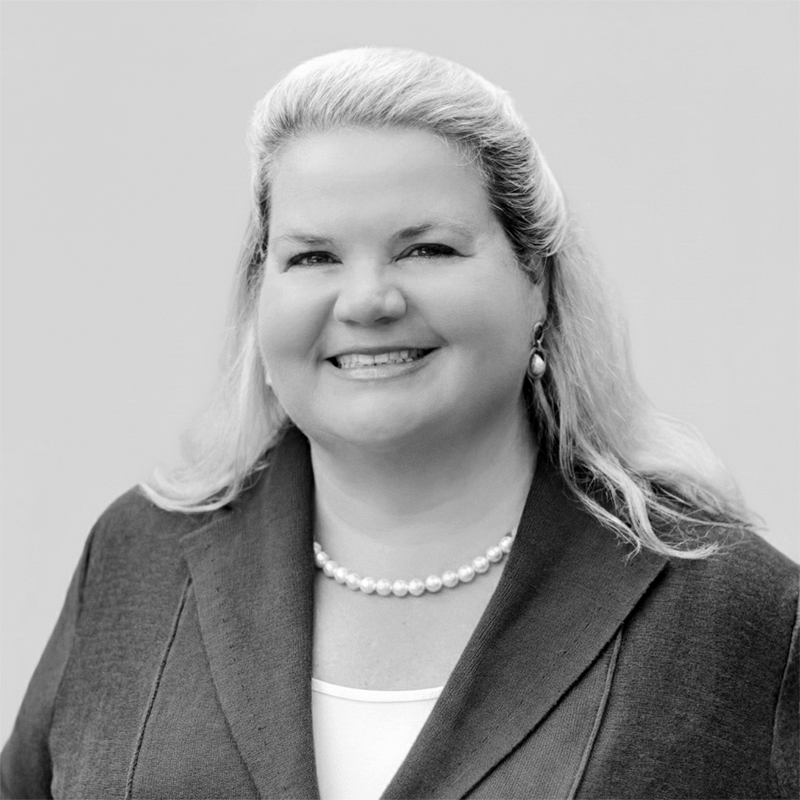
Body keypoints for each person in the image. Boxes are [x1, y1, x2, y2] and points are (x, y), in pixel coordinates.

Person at [1, 47, 797, 800]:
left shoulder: (735, 611)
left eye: (427, 250)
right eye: (313, 257)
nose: (368, 300)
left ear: (538, 285)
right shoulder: (137, 561)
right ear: (260, 298)